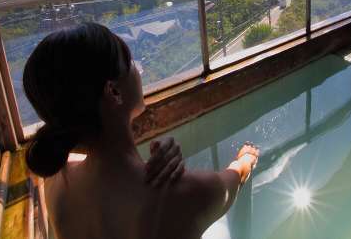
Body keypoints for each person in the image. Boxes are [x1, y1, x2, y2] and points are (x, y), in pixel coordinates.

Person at [24, 22, 259, 239]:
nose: (139, 71)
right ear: (113, 92)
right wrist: (246, 158)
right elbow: (233, 180)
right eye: (132, 63)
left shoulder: (56, 180)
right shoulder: (185, 195)